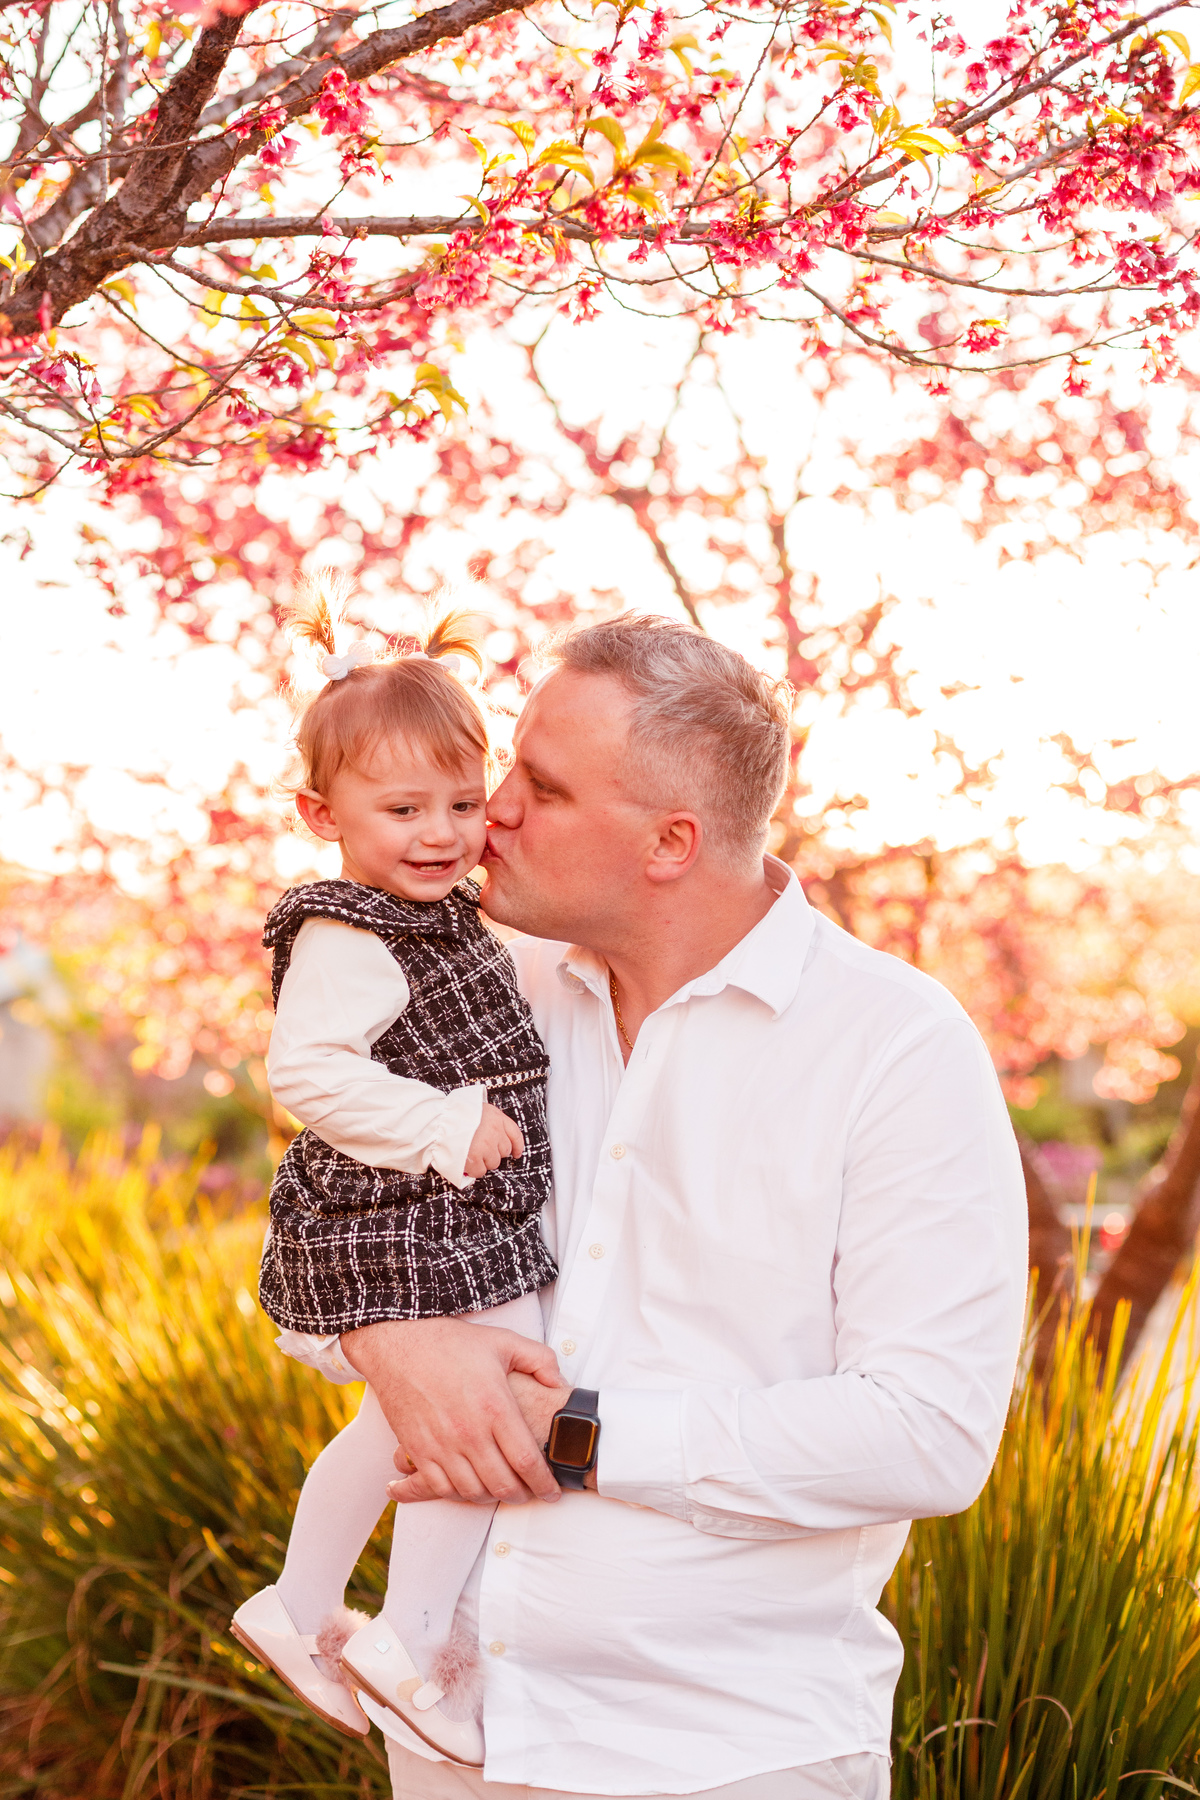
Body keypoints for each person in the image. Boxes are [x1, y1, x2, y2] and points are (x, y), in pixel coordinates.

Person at [334, 613, 1029, 1800]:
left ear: (670, 842)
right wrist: (387, 1337)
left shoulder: (896, 1047)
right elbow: (315, 1241)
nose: (487, 809)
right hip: (451, 1746)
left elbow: (928, 1432)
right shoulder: (469, 992)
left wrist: (576, 1436)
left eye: (540, 788)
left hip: (728, 1756)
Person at [230, 580, 560, 1765]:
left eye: (464, 804)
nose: (440, 832)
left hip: (439, 1208)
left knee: (402, 1418)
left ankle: (311, 1604)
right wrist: (442, 1122)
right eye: (403, 806)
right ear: (324, 812)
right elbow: (305, 1071)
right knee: (493, 1397)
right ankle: (410, 1636)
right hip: (407, 1207)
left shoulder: (444, 918)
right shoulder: (350, 933)